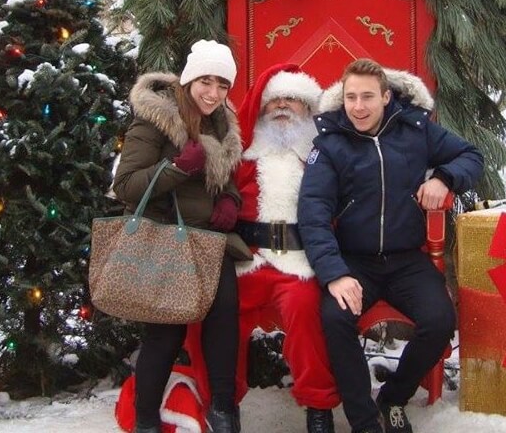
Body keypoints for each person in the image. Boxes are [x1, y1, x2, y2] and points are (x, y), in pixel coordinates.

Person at [298, 58, 484, 433]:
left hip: (405, 260)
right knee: (335, 318)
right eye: (351, 97)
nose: (358, 107)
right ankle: (364, 421)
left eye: (368, 97)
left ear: (386, 97)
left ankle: (394, 397)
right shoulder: (331, 143)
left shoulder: (415, 130)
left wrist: (445, 179)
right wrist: (334, 275)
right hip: (354, 262)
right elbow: (313, 213)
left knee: (440, 320)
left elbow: (471, 156)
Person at [112, 39, 243, 433]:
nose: (213, 93)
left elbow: (228, 177)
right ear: (188, 80)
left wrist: (231, 200)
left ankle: (224, 410)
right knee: (166, 334)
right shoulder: (155, 119)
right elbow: (126, 185)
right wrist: (177, 167)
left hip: (208, 241)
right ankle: (146, 420)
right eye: (206, 81)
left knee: (224, 324)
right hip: (166, 241)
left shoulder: (221, 122)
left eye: (222, 85)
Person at [233, 64, 340, 433]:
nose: (281, 106)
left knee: (306, 309)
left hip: (299, 262)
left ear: (308, 108)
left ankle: (318, 406)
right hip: (248, 260)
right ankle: (222, 400)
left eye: (291, 99)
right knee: (219, 314)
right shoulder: (243, 155)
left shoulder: (321, 157)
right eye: (274, 100)